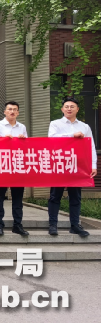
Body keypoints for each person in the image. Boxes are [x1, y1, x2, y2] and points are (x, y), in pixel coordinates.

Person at [47, 96, 97, 237]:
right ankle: (53, 225)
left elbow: (91, 146)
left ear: (77, 109)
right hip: (59, 164)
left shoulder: (85, 127)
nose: (69, 109)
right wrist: (71, 135)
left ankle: (75, 225)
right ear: (62, 109)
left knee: (75, 196)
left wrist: (93, 165)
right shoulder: (55, 124)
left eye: (72, 106)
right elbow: (52, 139)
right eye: (67, 106)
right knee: (55, 196)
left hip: (77, 165)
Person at [0, 101, 29, 237]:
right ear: (5, 112)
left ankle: (17, 225)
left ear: (18, 113)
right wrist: (2, 140)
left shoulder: (22, 127)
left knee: (18, 199)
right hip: (2, 166)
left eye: (15, 109)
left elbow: (27, 147)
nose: (12, 111)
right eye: (9, 109)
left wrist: (23, 140)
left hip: (17, 166)